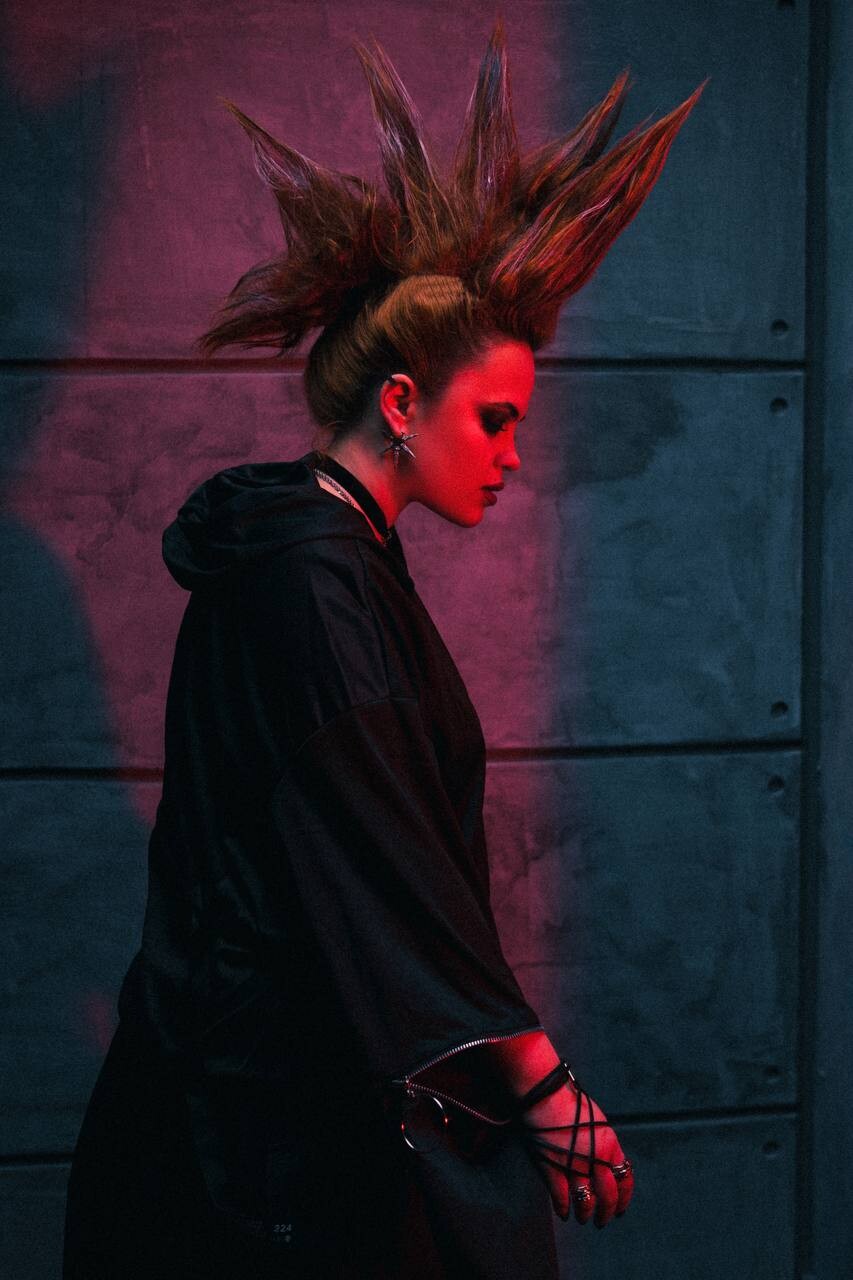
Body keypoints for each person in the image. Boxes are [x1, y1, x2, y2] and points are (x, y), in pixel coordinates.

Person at [63, 20, 706, 1279]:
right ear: (403, 402)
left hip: (263, 1105)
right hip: (255, 1139)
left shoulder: (320, 554)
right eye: (495, 418)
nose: (513, 454)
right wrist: (542, 1081)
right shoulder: (311, 576)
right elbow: (382, 847)